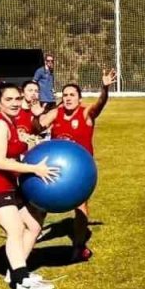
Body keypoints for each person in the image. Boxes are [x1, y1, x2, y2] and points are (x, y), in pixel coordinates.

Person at [0, 82, 58, 289]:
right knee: (15, 228)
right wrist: (35, 169)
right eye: (9, 100)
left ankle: (15, 271)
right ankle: (21, 283)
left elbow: (16, 146)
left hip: (9, 186)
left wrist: (29, 142)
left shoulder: (11, 123)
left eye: (17, 99)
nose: (14, 103)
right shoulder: (0, 125)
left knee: (34, 224)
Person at [38, 70, 114, 262]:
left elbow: (100, 104)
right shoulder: (56, 113)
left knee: (80, 206)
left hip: (79, 170)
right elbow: (39, 126)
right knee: (41, 203)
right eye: (65, 95)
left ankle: (78, 246)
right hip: (54, 167)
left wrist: (105, 88)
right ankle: (32, 233)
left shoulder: (86, 113)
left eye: (72, 95)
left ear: (79, 99)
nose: (68, 98)